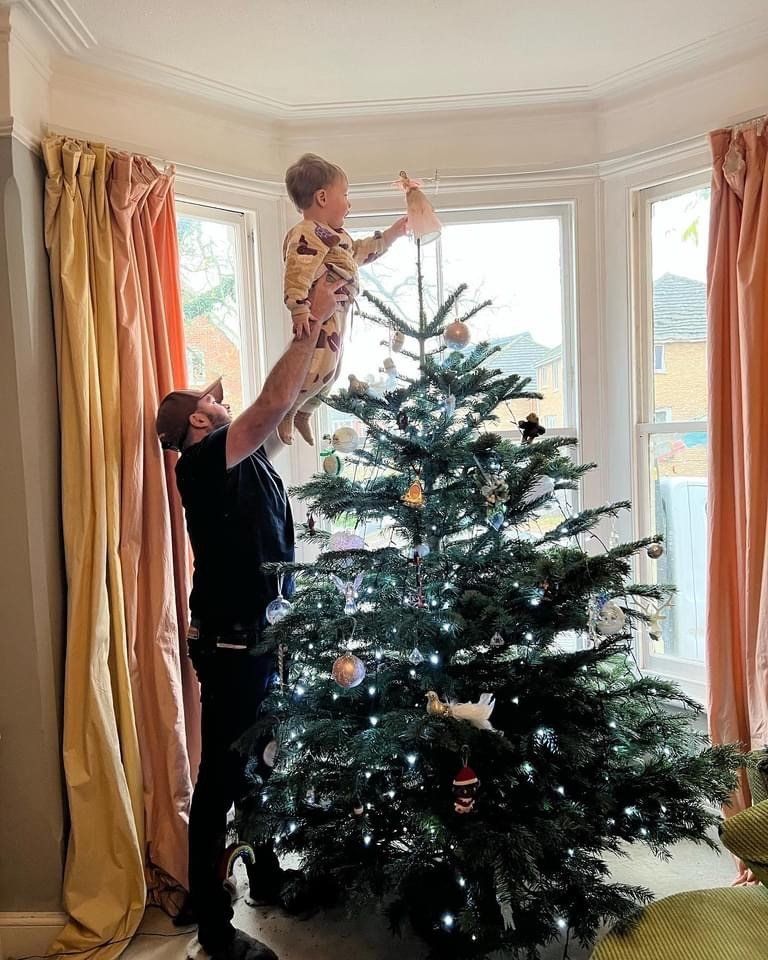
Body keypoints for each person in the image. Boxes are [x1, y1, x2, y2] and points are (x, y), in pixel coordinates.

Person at [156, 278, 347, 960]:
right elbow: (271, 403)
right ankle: (213, 928)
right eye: (212, 399)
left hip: (260, 640)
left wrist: (326, 338)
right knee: (222, 781)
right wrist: (308, 326)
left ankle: (265, 878)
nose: (222, 400)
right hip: (231, 646)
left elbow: (285, 403)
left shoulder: (246, 460)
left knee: (261, 766)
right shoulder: (203, 463)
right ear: (197, 423)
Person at [278, 152, 408, 446]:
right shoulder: (307, 234)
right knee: (318, 366)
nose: (349, 204)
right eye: (345, 195)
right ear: (322, 198)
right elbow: (297, 272)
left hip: (338, 311)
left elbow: (361, 252)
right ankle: (288, 409)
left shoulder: (337, 237)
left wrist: (392, 234)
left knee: (333, 369)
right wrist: (299, 308)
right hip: (320, 313)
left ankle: (304, 411)